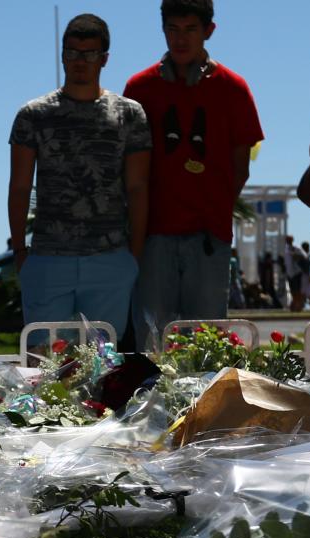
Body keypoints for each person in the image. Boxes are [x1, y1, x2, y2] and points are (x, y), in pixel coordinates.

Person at [124, 0, 262, 347]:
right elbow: (127, 166)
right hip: (152, 237)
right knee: (152, 345)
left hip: (208, 239)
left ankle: (206, 404)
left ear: (209, 31)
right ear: (163, 30)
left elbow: (240, 167)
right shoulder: (139, 89)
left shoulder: (233, 88)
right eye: (173, 29)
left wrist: (212, 207)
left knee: (206, 344)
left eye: (190, 29)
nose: (180, 39)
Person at [9, 13, 150, 339]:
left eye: (89, 54)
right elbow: (19, 187)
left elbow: (138, 187)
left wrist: (134, 255)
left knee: (102, 370)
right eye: (72, 52)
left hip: (110, 260)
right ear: (62, 55)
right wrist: (20, 253)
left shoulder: (130, 114)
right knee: (42, 368)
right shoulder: (33, 114)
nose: (79, 61)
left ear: (104, 59)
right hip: (47, 259)